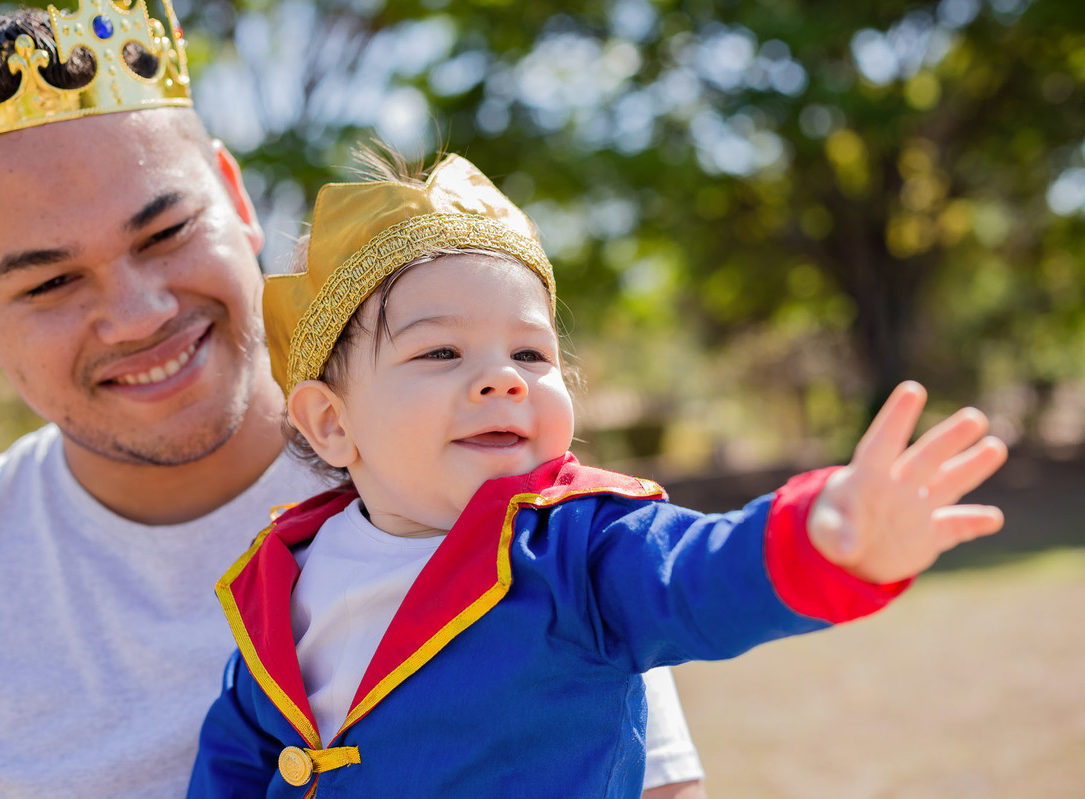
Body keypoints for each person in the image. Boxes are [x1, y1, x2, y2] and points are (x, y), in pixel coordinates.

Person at [0, 1, 708, 797]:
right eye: (50, 282)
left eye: (166, 234)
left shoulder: (502, 493)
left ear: (237, 203)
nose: (139, 315)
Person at [186, 152, 1008, 797]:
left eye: (531, 352)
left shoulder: (580, 546)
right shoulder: (283, 579)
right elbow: (236, 756)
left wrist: (821, 537)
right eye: (441, 351)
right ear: (332, 423)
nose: (503, 378)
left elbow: (701, 574)